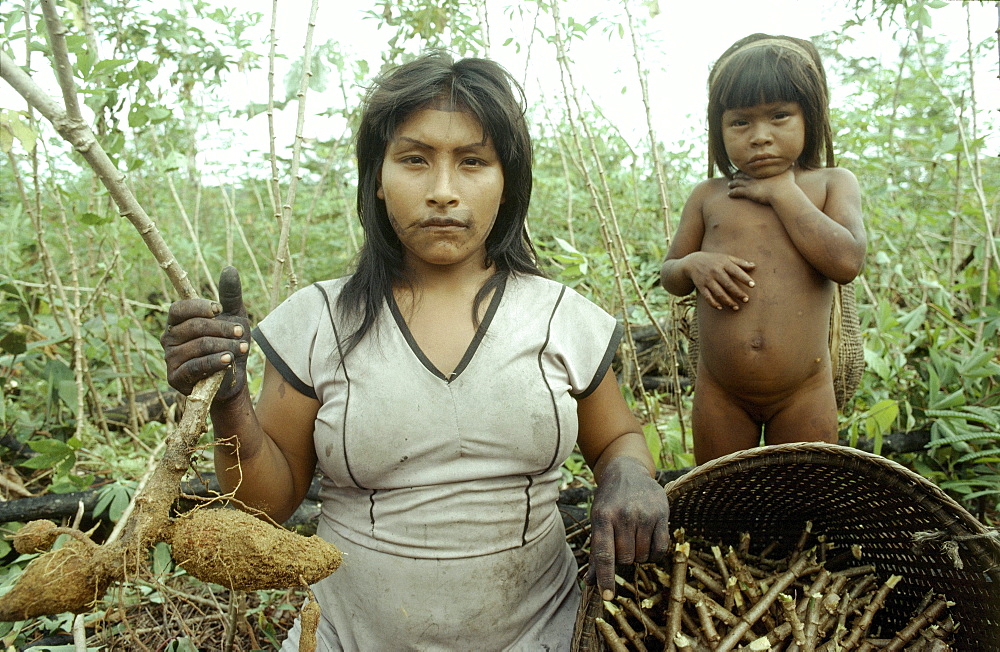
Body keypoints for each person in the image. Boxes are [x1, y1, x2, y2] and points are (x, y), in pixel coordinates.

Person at [162, 52, 671, 650]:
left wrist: (631, 473)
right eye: (414, 160)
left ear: (507, 183)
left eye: (473, 162)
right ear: (376, 180)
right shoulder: (318, 323)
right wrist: (228, 405)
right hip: (349, 634)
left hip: (544, 633)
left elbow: (616, 438)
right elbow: (266, 508)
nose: (443, 192)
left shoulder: (558, 317)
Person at [659, 34, 866, 465]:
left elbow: (846, 262)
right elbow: (670, 274)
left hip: (804, 391)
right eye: (740, 122)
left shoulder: (831, 183)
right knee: (721, 501)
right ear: (719, 129)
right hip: (721, 391)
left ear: (809, 118)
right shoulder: (709, 195)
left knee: (804, 503)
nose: (760, 137)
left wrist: (783, 194)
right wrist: (695, 265)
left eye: (779, 116)